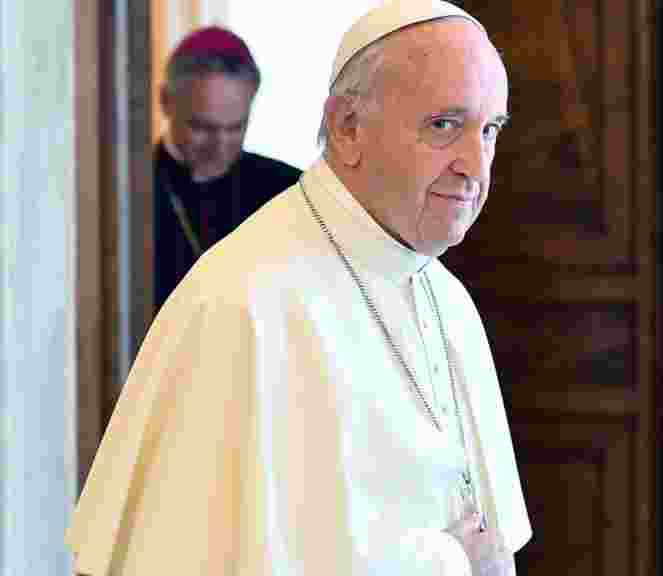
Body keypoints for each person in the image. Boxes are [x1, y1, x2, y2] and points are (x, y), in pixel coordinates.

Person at [66, 1, 531, 574]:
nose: (475, 165)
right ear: (347, 126)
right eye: (443, 126)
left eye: (489, 130)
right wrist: (446, 562)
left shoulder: (448, 301)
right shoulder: (243, 303)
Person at [153, 26, 302, 309]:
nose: (220, 146)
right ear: (166, 102)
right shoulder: (131, 191)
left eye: (235, 127)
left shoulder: (289, 190)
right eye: (201, 127)